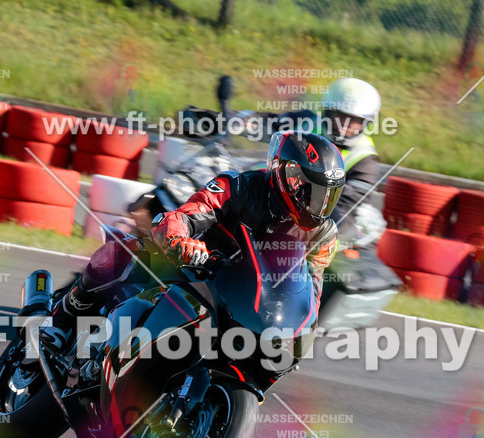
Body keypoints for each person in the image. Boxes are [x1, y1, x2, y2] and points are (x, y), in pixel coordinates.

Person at [43, 130, 346, 351]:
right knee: (124, 252)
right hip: (197, 268)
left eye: (326, 196)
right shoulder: (239, 187)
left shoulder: (323, 234)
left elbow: (312, 288)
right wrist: (178, 238)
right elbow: (188, 213)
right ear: (285, 174)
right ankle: (62, 320)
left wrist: (304, 327)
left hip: (245, 303)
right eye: (310, 191)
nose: (317, 204)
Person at [314, 78, 383, 242]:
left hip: (321, 231)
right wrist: (243, 121)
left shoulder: (365, 162)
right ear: (327, 113)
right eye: (339, 116)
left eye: (353, 120)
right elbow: (265, 122)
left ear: (366, 123)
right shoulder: (306, 124)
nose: (343, 125)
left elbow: (344, 211)